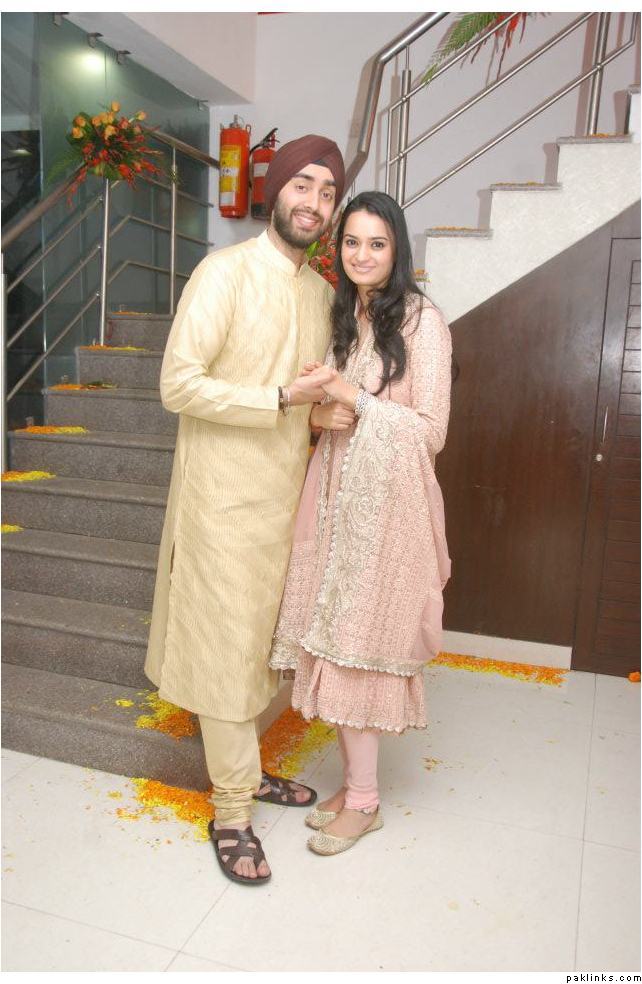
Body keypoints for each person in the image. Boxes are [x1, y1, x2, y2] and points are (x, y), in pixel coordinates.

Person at [145, 135, 345, 884]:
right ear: (275, 191)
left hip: (286, 500)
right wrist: (282, 398)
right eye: (304, 185)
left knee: (263, 645)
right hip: (222, 499)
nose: (314, 203)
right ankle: (230, 811)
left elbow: (303, 399)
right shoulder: (223, 271)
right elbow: (178, 384)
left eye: (328, 192)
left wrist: (321, 412)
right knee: (227, 649)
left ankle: (248, 770)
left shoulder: (320, 294)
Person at [270, 191, 452, 855]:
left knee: (358, 648)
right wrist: (323, 415)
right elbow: (324, 410)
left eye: (377, 244)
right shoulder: (346, 316)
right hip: (333, 501)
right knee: (330, 640)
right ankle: (355, 788)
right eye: (351, 242)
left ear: (396, 249)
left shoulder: (423, 321)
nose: (362, 255)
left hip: (385, 515)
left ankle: (366, 803)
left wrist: (357, 399)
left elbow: (431, 431)